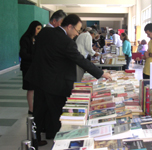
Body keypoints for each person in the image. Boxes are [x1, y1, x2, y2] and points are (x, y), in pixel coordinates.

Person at [25, 14, 111, 145]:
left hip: (40, 79)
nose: (77, 34)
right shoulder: (66, 42)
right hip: (55, 83)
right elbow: (80, 60)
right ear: (69, 27)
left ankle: (35, 142)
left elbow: (38, 51)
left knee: (39, 112)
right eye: (77, 30)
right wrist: (100, 73)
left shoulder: (45, 32)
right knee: (57, 115)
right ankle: (57, 142)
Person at [19, 21, 42, 115]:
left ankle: (36, 107)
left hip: (35, 67)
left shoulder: (37, 39)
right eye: (38, 29)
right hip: (27, 67)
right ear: (33, 28)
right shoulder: (25, 39)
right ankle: (31, 109)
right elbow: (23, 54)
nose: (39, 31)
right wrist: (35, 57)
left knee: (37, 88)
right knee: (30, 89)